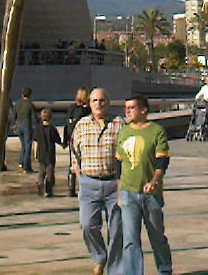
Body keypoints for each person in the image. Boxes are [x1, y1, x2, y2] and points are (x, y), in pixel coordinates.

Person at [115, 93, 172, 275]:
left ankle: (164, 269)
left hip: (150, 194)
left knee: (157, 237)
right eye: (126, 108)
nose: (128, 111)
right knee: (130, 239)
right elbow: (118, 164)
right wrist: (119, 192)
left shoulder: (156, 131)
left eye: (131, 108)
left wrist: (155, 181)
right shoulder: (123, 131)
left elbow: (162, 162)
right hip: (127, 192)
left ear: (143, 110)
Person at [70, 87, 124, 275]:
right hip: (89, 184)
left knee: (117, 229)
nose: (99, 104)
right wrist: (77, 172)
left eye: (102, 100)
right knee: (87, 225)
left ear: (108, 103)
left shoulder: (119, 124)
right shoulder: (82, 125)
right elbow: (74, 150)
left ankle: (115, 269)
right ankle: (99, 257)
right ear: (89, 104)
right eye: (95, 101)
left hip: (113, 184)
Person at [62, 87, 90, 196]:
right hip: (82, 139)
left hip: (71, 139)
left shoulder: (71, 108)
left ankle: (71, 187)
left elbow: (66, 125)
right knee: (84, 163)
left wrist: (65, 140)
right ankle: (84, 187)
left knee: (73, 163)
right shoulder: (86, 111)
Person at [34, 108, 62, 196]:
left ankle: (39, 186)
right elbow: (58, 140)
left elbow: (35, 142)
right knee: (50, 173)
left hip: (41, 154)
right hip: (50, 154)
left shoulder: (38, 129)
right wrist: (63, 144)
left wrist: (35, 153)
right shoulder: (52, 129)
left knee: (41, 172)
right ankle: (48, 190)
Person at [13, 86, 36, 172]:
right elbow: (33, 117)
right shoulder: (30, 104)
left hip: (18, 125)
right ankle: (26, 166)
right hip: (26, 125)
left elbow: (13, 115)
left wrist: (13, 124)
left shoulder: (17, 103)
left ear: (22, 94)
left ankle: (21, 162)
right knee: (28, 145)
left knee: (23, 145)